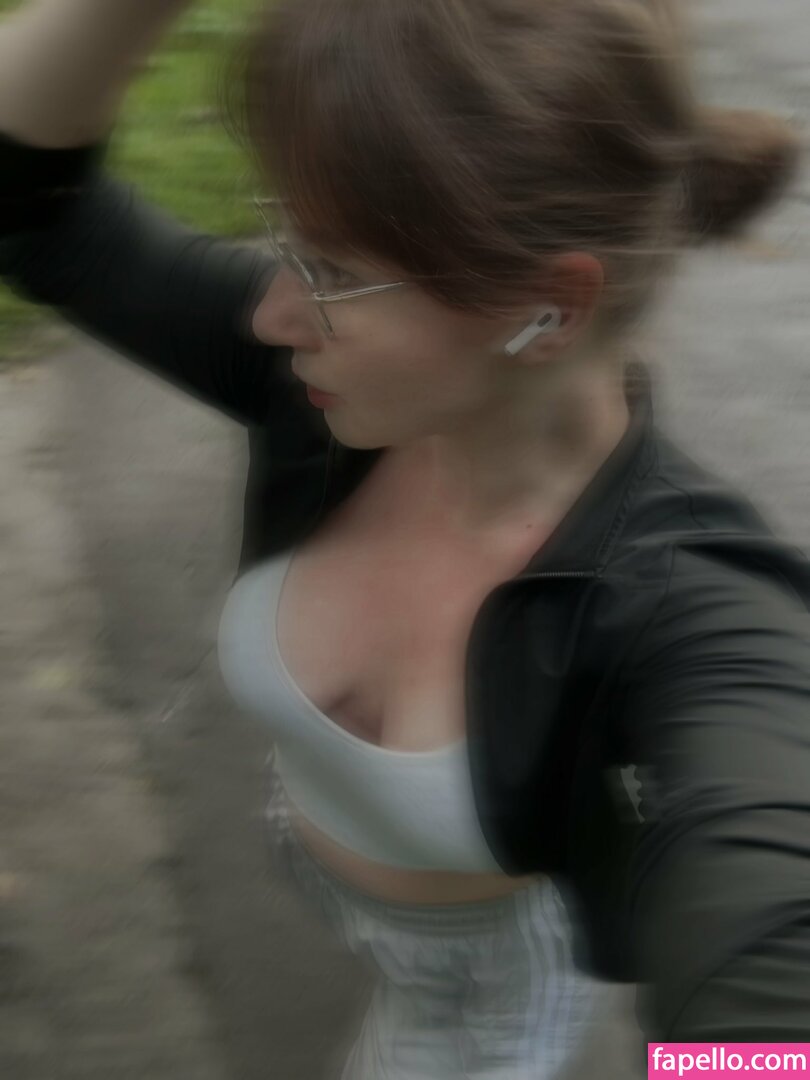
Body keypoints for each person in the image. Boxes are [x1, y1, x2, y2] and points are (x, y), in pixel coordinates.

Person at [1, 0, 809, 1074]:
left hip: (476, 1005)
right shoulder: (329, 390)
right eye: (286, 242)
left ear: (551, 307)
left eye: (332, 271)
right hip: (327, 872)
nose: (272, 316)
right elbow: (36, 213)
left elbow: (766, 1002)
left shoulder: (697, 610)